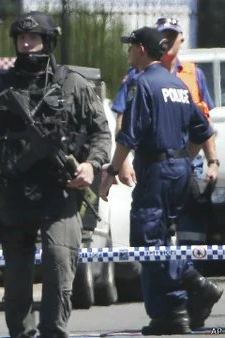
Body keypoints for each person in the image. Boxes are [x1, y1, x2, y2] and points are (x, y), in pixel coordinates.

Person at [0, 11, 111, 338]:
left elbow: (101, 133)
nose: (25, 44)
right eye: (21, 38)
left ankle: (53, 332)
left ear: (47, 42)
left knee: (59, 263)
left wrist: (91, 165)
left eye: (32, 38)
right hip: (16, 192)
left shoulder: (72, 85)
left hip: (60, 192)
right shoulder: (1, 87)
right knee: (17, 279)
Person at [99, 27, 217, 334]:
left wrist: (111, 171)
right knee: (163, 240)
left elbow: (128, 135)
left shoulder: (143, 84)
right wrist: (184, 160)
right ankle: (172, 314)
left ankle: (195, 286)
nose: (127, 52)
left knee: (147, 242)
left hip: (156, 172)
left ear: (140, 49)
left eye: (130, 47)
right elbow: (203, 131)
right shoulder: (177, 84)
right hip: (180, 171)